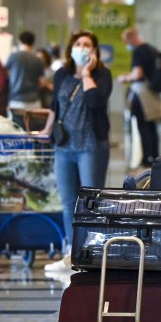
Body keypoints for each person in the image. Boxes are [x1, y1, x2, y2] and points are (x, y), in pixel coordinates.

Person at [42, 30, 113, 273]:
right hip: (64, 147)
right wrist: (46, 130)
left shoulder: (102, 75)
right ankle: (72, 253)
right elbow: (55, 105)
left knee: (91, 201)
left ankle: (91, 252)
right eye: (78, 44)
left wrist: (86, 74)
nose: (82, 48)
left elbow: (95, 101)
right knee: (68, 202)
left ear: (94, 52)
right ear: (71, 48)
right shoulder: (61, 73)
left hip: (90, 147)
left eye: (87, 45)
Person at [119, 27, 161, 167]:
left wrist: (124, 78)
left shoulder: (138, 51)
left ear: (132, 38)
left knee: (142, 125)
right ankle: (155, 156)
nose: (127, 45)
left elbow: (137, 74)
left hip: (142, 94)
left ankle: (146, 158)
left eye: (127, 41)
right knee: (151, 126)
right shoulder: (151, 49)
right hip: (152, 93)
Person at [5, 30, 46, 125]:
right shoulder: (37, 59)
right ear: (33, 43)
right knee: (33, 129)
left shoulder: (13, 57)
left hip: (16, 100)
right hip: (34, 100)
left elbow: (6, 74)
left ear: (20, 41)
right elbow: (42, 82)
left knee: (15, 129)